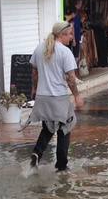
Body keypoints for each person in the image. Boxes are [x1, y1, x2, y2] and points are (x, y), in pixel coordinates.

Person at [29, 21, 84, 171]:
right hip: (58, 97)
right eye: (70, 34)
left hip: (42, 96)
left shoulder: (40, 48)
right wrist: (77, 96)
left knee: (48, 127)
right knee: (64, 129)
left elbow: (34, 72)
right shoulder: (65, 52)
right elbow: (71, 78)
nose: (72, 37)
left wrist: (34, 89)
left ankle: (36, 153)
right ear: (62, 34)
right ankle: (61, 166)